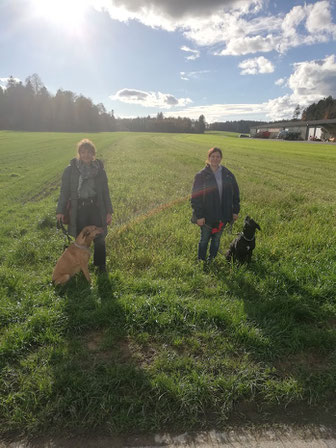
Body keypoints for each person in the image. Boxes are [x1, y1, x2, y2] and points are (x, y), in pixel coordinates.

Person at [56, 139, 113, 273]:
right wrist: (60, 211)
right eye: (82, 152)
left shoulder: (100, 171)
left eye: (88, 152)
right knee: (79, 239)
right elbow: (64, 192)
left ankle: (100, 265)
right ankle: (77, 265)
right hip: (78, 210)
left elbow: (105, 192)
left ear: (93, 153)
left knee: (99, 237)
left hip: (95, 209)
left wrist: (109, 211)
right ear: (79, 153)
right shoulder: (70, 170)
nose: (86, 155)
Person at [191, 147, 240, 262]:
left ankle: (211, 259)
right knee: (204, 239)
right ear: (208, 158)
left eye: (217, 156)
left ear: (221, 158)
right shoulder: (201, 175)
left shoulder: (228, 174)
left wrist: (235, 211)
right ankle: (201, 260)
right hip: (207, 216)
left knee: (216, 240)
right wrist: (199, 216)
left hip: (223, 214)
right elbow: (195, 197)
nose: (215, 159)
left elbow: (235, 194)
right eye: (212, 156)